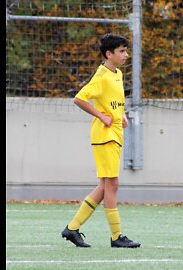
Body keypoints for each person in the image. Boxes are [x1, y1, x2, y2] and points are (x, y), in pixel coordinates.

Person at [61, 33, 141, 248]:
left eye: (126, 50)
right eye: (122, 51)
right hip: (105, 137)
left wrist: (120, 115)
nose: (126, 55)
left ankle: (72, 228)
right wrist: (101, 116)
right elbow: (79, 99)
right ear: (109, 54)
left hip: (114, 134)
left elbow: (113, 101)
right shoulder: (102, 75)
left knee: (105, 185)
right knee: (112, 184)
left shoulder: (118, 74)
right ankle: (116, 237)